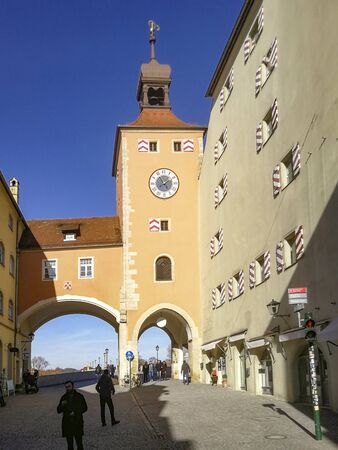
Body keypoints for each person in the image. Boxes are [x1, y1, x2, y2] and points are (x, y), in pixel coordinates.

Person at [57, 380, 88, 450]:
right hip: (67, 424)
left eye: (69, 386)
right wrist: (61, 405)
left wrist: (76, 412)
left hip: (77, 422)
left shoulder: (80, 396)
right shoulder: (63, 397)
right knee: (70, 445)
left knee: (79, 444)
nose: (67, 388)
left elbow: (85, 408)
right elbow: (58, 410)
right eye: (66, 387)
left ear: (73, 386)